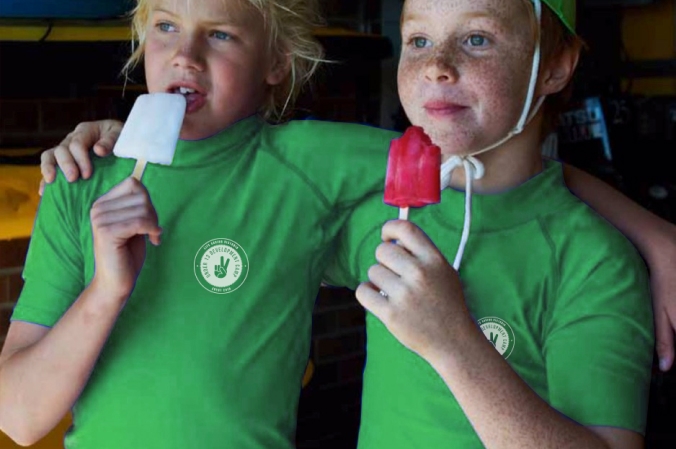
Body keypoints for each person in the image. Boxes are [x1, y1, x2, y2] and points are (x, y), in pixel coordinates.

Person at [0, 0, 400, 447]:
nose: (185, 55)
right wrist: (105, 292)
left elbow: (448, 163)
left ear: (276, 62)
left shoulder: (309, 168)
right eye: (167, 26)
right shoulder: (79, 181)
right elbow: (19, 418)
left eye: (220, 34)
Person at [324, 0, 653, 447]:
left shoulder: (595, 261)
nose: (436, 67)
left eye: (477, 39)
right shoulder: (376, 214)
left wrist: (454, 343)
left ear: (555, 66)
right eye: (419, 41)